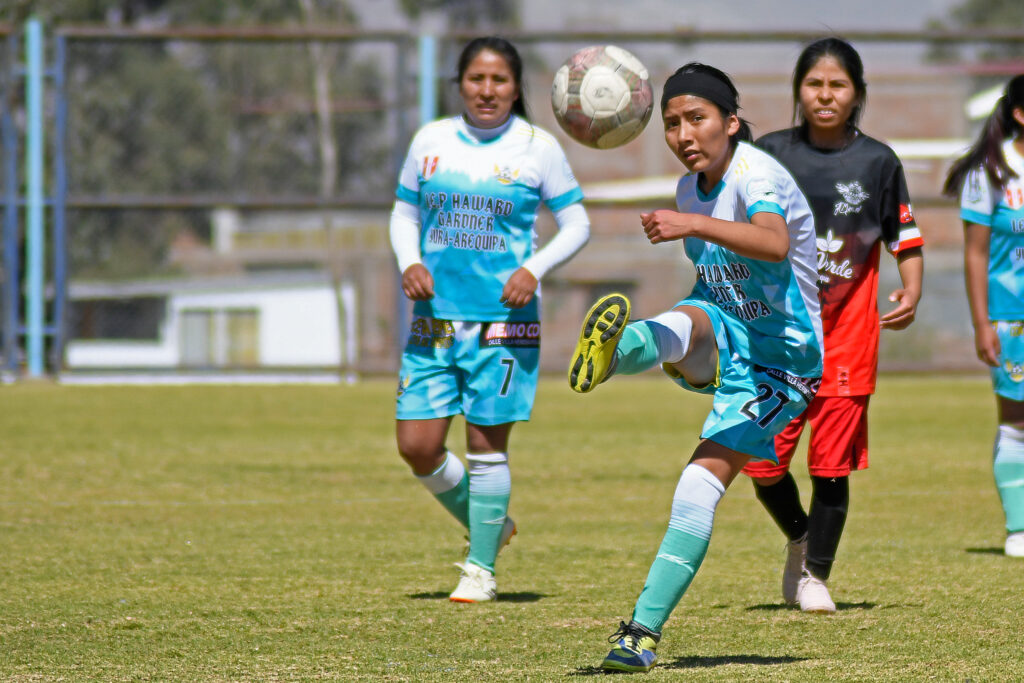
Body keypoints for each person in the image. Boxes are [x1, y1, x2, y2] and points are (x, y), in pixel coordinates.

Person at [568, 62, 823, 673]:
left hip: (781, 362)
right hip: (727, 330)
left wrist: (692, 222)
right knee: (687, 318)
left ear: (731, 122)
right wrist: (694, 224)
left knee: (695, 487)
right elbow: (718, 282)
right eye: (672, 123)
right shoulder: (691, 188)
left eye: (697, 119)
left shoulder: (755, 173)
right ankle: (614, 353)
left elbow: (772, 242)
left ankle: (640, 633)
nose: (684, 134)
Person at [389, 36, 590, 603]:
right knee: (417, 446)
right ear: (460, 84)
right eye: (477, 79)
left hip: (505, 323)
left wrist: (534, 267)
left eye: (499, 80)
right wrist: (410, 261)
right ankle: (492, 526)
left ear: (516, 87)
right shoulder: (430, 141)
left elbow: (576, 223)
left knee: (485, 446)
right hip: (435, 322)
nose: (487, 90)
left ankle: (480, 570)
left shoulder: (537, 147)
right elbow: (405, 213)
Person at [742, 37, 925, 613]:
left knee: (829, 466)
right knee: (762, 463)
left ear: (857, 95)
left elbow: (905, 239)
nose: (825, 95)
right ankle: (799, 538)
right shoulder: (767, 155)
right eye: (814, 84)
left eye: (837, 85)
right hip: (777, 340)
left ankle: (816, 575)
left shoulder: (877, 162)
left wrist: (912, 288)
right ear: (798, 91)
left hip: (848, 339)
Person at [943, 73, 1024, 558]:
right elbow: (975, 254)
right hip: (1011, 316)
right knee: (1017, 421)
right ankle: (1019, 527)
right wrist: (981, 324)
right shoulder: (991, 172)